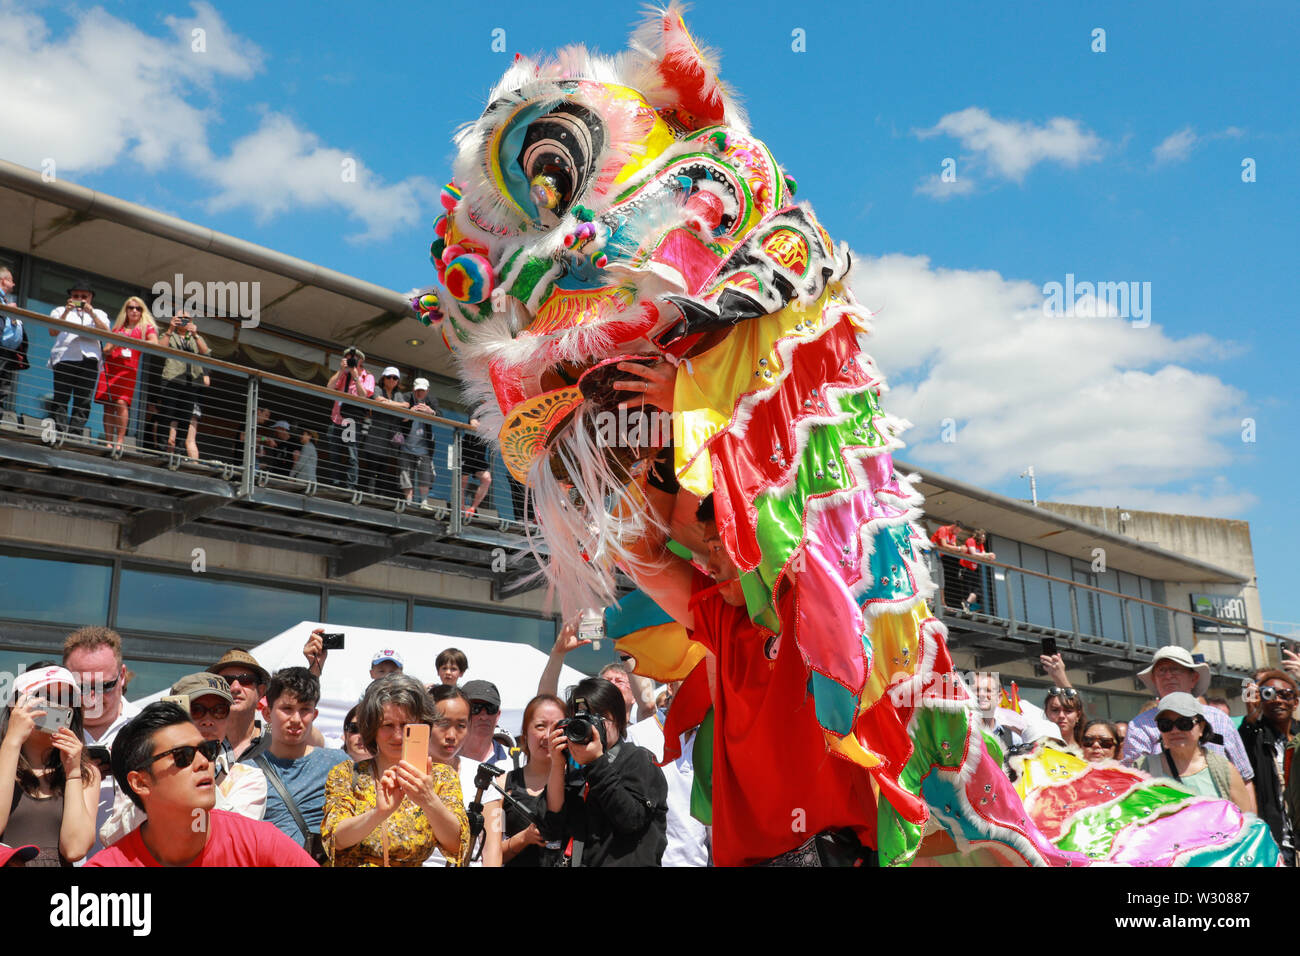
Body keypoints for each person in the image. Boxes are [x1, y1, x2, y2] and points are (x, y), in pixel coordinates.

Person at [86, 703, 316, 867]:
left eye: (207, 750)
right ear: (141, 782)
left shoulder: (258, 844)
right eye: (182, 756)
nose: (203, 763)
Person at [98, 672, 268, 846]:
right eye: (196, 710)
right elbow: (113, 839)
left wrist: (200, 771)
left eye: (219, 710)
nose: (208, 721)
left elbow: (237, 841)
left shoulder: (248, 777)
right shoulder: (147, 770)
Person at [321, 674, 468, 867]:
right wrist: (377, 814)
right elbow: (336, 839)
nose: (398, 735)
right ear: (372, 728)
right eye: (387, 725)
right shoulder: (346, 774)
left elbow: (457, 845)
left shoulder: (441, 777)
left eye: (407, 726)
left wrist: (429, 800)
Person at [542, 677, 667, 866]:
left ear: (617, 718)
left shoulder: (639, 759)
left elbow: (630, 819)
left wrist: (596, 762)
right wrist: (558, 766)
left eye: (597, 718)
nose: (590, 727)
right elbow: (551, 826)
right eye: (581, 720)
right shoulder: (575, 768)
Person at [241, 667, 345, 861]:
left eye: (305, 710)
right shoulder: (246, 772)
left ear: (314, 715)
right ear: (267, 713)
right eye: (287, 709)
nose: (296, 719)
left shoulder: (340, 764)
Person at [0, 666, 99, 866]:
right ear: (16, 705)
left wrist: (73, 773)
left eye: (68, 700)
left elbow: (75, 849)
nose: (57, 706)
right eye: (44, 696)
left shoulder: (86, 773)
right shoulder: (5, 756)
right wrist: (12, 742)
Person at [1120, 646, 1254, 788]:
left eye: (1175, 669)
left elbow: (1244, 778)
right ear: (1154, 679)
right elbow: (1134, 781)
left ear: (1193, 678)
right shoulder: (1140, 726)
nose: (1168, 676)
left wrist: (1248, 811)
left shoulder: (1219, 719)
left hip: (1221, 806)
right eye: (1161, 670)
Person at [62, 626, 139, 859]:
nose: (91, 697)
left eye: (104, 686)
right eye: (81, 687)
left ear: (122, 675)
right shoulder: (44, 731)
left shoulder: (150, 729)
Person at [627, 682, 711, 867]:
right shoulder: (638, 735)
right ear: (671, 687)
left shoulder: (711, 740)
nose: (696, 690)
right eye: (689, 681)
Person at [1135, 693, 1252, 813]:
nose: (1175, 730)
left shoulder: (1224, 769)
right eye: (1166, 724)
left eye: (1184, 723)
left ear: (1201, 727)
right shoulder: (1142, 768)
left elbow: (1247, 822)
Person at [1238, 669, 1298, 865]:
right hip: (1276, 841)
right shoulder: (1254, 735)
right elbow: (1245, 742)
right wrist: (1251, 710)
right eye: (1269, 694)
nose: (1278, 700)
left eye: (1286, 694)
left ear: (1295, 702)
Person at [501, 694, 566, 867]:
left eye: (556, 727)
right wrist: (523, 838)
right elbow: (486, 853)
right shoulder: (502, 783)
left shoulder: (580, 784)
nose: (548, 735)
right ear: (524, 733)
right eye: (540, 726)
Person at [447, 680, 506, 866]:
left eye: (490, 708)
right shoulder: (409, 770)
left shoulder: (516, 762)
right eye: (476, 708)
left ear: (498, 714)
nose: (483, 715)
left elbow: (492, 850)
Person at [95, 296, 158, 454]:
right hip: (111, 368)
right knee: (108, 405)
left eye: (138, 308)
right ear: (126, 310)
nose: (134, 311)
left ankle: (120, 441)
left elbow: (154, 343)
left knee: (122, 403)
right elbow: (106, 350)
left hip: (128, 371)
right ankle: (109, 442)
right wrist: (117, 341)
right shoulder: (119, 327)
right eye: (131, 308)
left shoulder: (145, 327)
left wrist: (133, 342)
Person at [47, 279, 111, 435]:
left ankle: (75, 434)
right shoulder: (59, 310)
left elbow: (106, 333)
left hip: (89, 360)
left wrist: (91, 314)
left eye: (84, 296)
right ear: (70, 297)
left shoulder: (99, 314)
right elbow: (52, 331)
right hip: (65, 357)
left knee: (83, 400)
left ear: (90, 298)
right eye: (76, 296)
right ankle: (59, 432)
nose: (80, 300)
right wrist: (66, 312)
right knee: (61, 397)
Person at [159, 309, 210, 460]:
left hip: (191, 381)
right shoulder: (170, 334)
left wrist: (195, 334)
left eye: (187, 319)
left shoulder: (195, 338)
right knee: (166, 414)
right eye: (181, 318)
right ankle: (162, 449)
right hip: (172, 379)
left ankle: (180, 452)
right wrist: (170, 329)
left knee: (185, 417)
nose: (184, 321)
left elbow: (205, 352)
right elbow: (160, 348)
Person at [207, 648, 270, 760]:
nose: (235, 688)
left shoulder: (278, 747)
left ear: (260, 691)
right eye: (226, 681)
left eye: (246, 679)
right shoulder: (197, 747)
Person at [327, 346, 374, 489]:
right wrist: (341, 370)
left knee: (351, 454)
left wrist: (355, 376)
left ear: (360, 361)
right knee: (334, 453)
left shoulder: (368, 376)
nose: (350, 360)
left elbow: (364, 395)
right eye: (347, 357)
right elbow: (329, 387)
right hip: (337, 418)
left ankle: (350, 486)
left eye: (352, 358)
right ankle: (334, 483)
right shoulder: (343, 374)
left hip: (353, 420)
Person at [401, 377, 437, 508]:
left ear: (427, 391)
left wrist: (430, 411)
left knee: (425, 475)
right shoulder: (406, 397)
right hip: (406, 444)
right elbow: (400, 418)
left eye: (422, 391)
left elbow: (440, 415)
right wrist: (411, 412)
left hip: (424, 447)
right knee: (406, 474)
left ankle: (424, 501)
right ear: (413, 390)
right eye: (417, 391)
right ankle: (409, 502)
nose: (419, 393)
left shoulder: (431, 400)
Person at [0, 266, 29, 419]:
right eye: (11, 280)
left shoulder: (6, 300)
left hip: (7, 353)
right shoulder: (3, 302)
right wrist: (6, 309)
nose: (14, 284)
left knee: (3, 388)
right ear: (3, 280)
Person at [460, 417, 492, 515]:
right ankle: (461, 508)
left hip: (480, 454)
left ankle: (472, 508)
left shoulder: (492, 412)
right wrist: (486, 428)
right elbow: (473, 423)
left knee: (487, 479)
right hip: (466, 450)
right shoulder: (476, 407)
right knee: (463, 481)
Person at [959, 529, 995, 612]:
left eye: (984, 538)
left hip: (973, 569)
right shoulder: (971, 540)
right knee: (967, 589)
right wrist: (987, 555)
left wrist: (990, 557)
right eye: (982, 537)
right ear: (978, 536)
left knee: (977, 590)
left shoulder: (980, 545)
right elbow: (973, 553)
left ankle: (967, 604)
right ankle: (967, 605)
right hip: (965, 568)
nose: (983, 539)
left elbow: (983, 555)